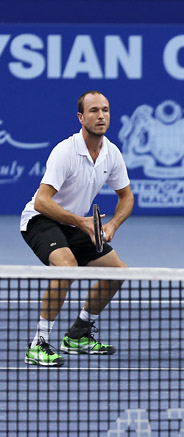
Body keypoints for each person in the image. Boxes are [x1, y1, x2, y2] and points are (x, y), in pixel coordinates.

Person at [19, 90, 133, 367]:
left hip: (76, 223)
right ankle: (39, 342)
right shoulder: (65, 152)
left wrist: (113, 224)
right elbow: (42, 201)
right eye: (94, 111)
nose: (101, 116)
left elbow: (126, 196)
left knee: (118, 273)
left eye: (105, 110)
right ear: (81, 118)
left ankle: (79, 333)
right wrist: (81, 222)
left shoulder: (111, 153)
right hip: (40, 219)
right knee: (67, 267)